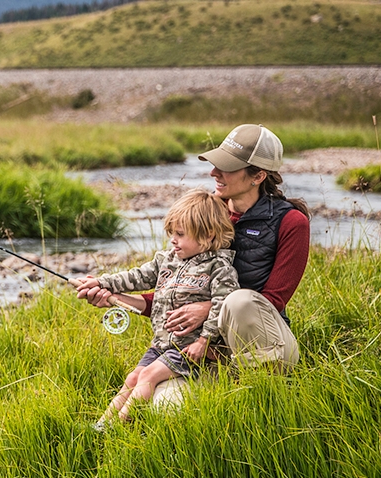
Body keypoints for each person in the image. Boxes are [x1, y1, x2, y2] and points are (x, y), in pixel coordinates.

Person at [78, 124, 311, 404]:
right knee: (164, 408)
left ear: (258, 176)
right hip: (208, 350)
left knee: (239, 301)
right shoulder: (206, 213)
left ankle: (268, 394)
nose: (214, 173)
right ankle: (228, 385)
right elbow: (176, 287)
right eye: (216, 165)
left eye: (226, 167)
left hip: (265, 346)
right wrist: (119, 298)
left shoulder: (291, 222)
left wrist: (209, 309)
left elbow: (274, 300)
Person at [76, 190, 240, 426]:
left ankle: (120, 427)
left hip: (189, 347)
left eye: (180, 234)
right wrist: (101, 282)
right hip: (162, 343)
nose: (173, 239)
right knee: (133, 377)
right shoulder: (167, 260)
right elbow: (136, 277)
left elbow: (222, 306)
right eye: (171, 233)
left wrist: (203, 341)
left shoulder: (219, 268)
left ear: (207, 235)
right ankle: (100, 425)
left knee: (148, 375)